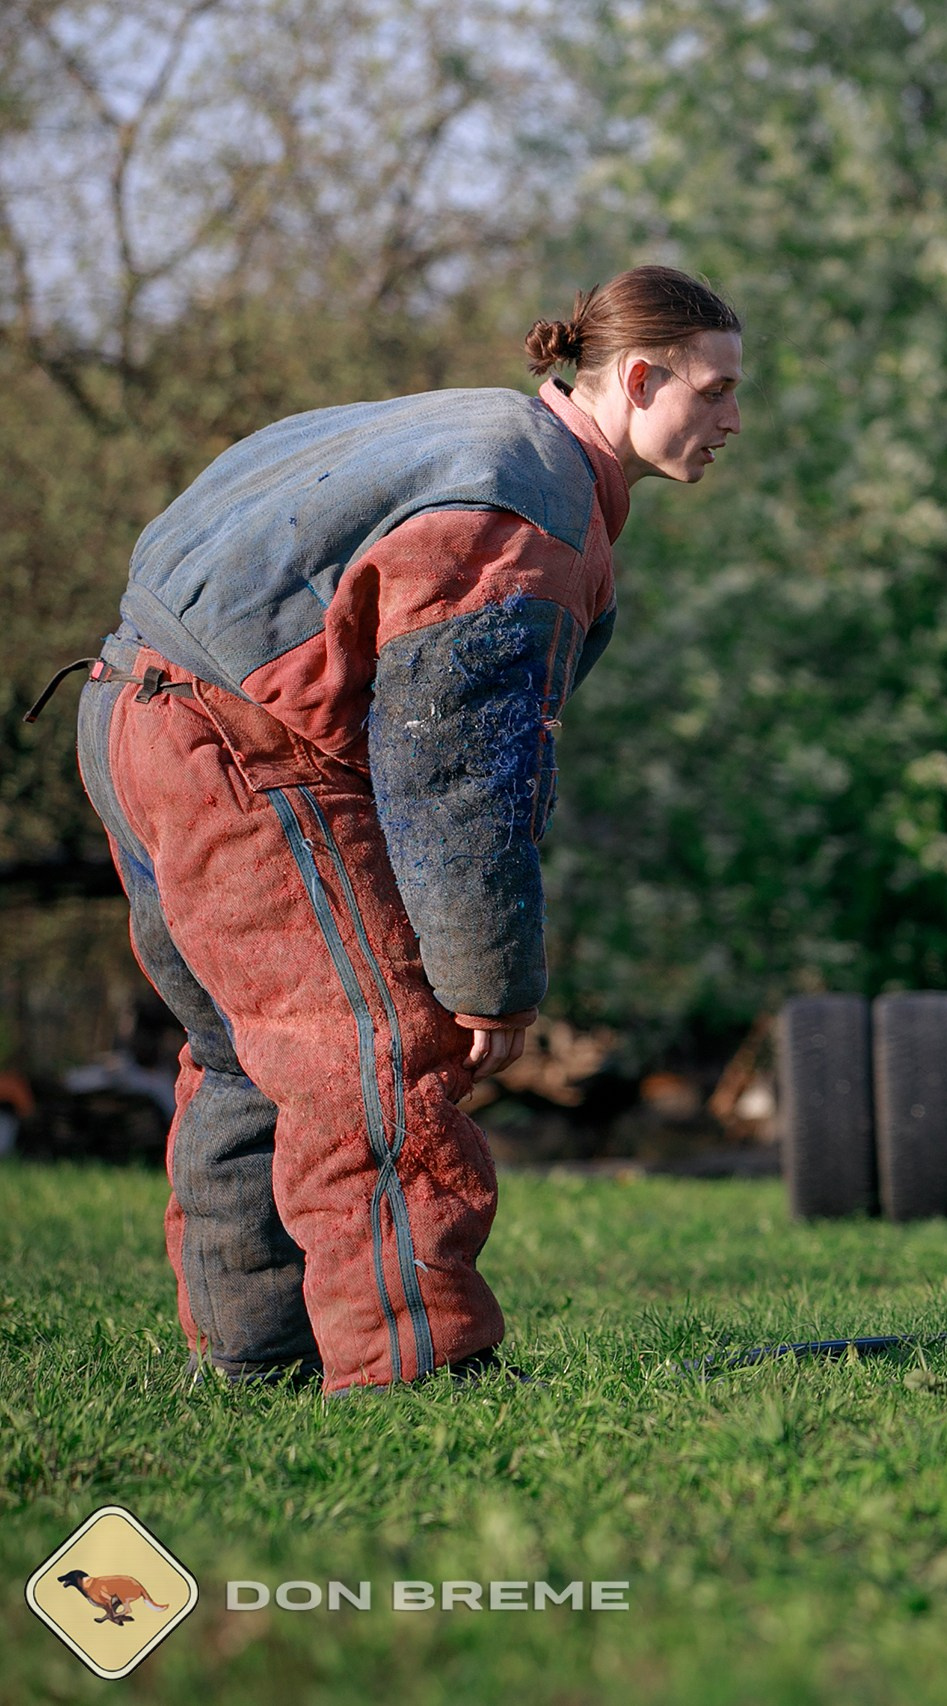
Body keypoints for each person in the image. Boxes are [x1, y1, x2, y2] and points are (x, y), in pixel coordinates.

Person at [55, 265, 744, 1393]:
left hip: (124, 703)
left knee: (251, 1052)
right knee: (372, 1049)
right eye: (714, 391)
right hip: (235, 749)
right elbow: (459, 773)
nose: (730, 420)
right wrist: (489, 983)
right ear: (636, 377)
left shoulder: (468, 433)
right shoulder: (523, 514)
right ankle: (418, 1367)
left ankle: (256, 1357)